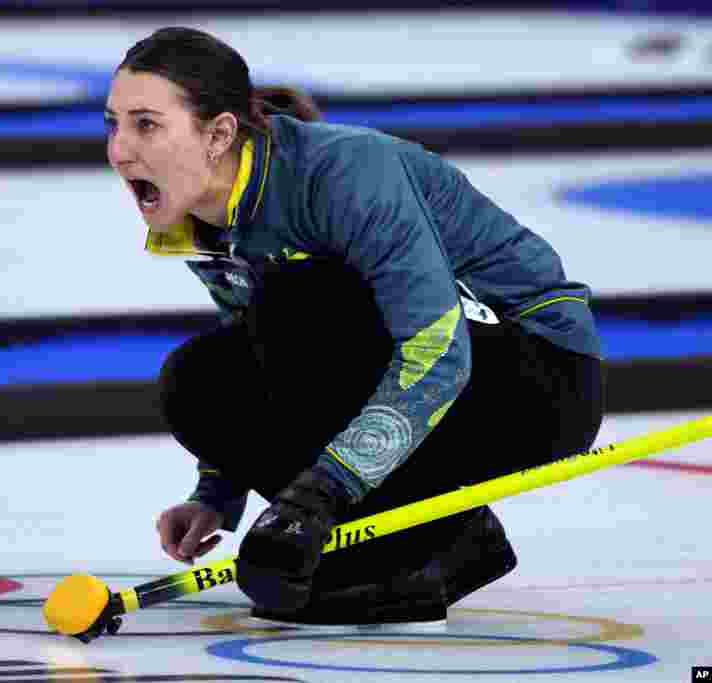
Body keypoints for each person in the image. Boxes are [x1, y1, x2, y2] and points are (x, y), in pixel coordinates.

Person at [104, 26, 604, 625]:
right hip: (404, 369)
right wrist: (217, 493)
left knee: (301, 300)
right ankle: (416, 539)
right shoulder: (197, 216)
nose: (120, 150)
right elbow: (255, 358)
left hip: (536, 376)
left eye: (146, 124)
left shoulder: (343, 171)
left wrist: (321, 493)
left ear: (218, 134)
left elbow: (437, 351)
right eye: (113, 124)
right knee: (199, 377)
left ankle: (433, 546)